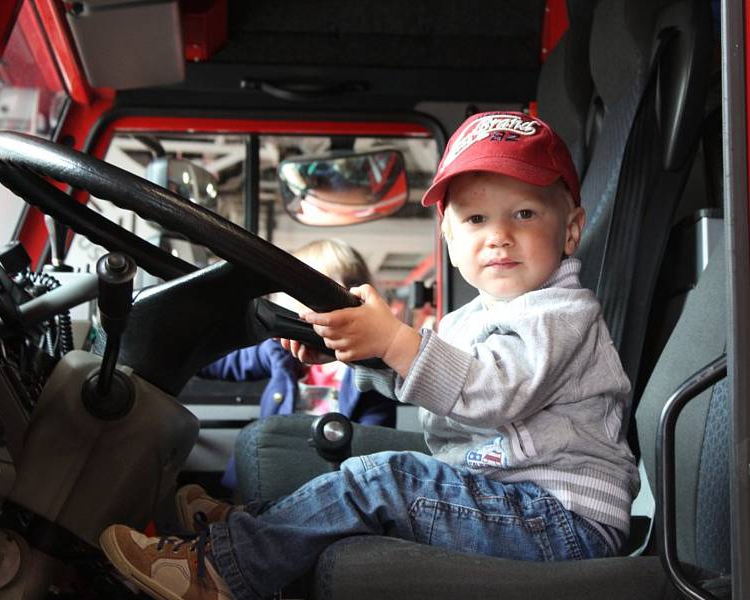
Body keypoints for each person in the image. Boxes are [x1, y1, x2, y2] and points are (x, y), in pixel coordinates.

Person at [99, 111, 639, 600]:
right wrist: (357, 354)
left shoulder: (559, 313)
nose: (498, 236)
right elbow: (437, 397)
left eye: (523, 214)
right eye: (475, 221)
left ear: (570, 231)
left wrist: (397, 340)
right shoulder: (472, 318)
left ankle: (219, 572)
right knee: (377, 475)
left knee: (387, 478)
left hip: (562, 523)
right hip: (506, 501)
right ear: (449, 239)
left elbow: (491, 392)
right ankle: (253, 529)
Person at [194, 238, 396, 491]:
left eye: (351, 285)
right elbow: (222, 362)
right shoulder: (280, 352)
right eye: (326, 288)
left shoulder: (372, 371)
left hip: (335, 480)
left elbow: (373, 444)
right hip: (269, 471)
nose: (343, 293)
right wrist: (187, 350)